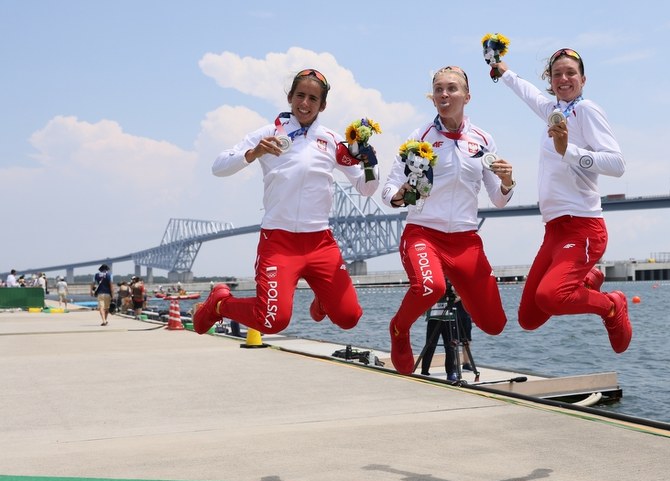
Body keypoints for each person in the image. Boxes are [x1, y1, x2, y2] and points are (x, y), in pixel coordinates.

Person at [196, 68, 379, 335]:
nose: (305, 103)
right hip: (279, 241)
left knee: (349, 317)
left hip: (320, 243)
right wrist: (253, 152)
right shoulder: (269, 133)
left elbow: (366, 188)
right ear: (290, 97)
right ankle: (219, 304)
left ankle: (323, 301)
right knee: (272, 322)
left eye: (313, 99)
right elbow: (218, 166)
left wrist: (370, 162)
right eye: (300, 96)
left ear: (323, 105)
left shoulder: (333, 141)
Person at [490, 48, 632, 353]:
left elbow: (617, 164)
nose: (564, 79)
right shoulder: (556, 111)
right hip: (554, 231)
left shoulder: (587, 110)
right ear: (550, 81)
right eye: (557, 74)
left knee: (551, 297)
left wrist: (567, 150)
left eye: (570, 73)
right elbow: (528, 93)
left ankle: (611, 305)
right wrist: (502, 71)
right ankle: (587, 280)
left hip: (582, 226)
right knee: (529, 318)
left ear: (583, 78)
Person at [381, 66, 515, 375]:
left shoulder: (482, 139)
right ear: (433, 98)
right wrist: (400, 195)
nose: (445, 94)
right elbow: (387, 191)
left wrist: (508, 182)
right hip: (424, 233)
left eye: (452, 88)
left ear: (467, 96)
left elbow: (497, 197)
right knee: (430, 286)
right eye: (438, 89)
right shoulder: (419, 139)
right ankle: (399, 330)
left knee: (494, 324)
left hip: (466, 241)